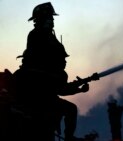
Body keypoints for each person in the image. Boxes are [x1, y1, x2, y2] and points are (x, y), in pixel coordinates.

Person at [13, 2, 98, 141]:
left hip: (43, 98)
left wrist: (80, 88)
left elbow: (58, 88)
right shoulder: (38, 40)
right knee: (70, 109)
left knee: (68, 110)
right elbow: (58, 88)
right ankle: (68, 138)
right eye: (50, 18)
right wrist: (77, 87)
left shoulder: (43, 44)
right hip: (38, 101)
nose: (52, 21)